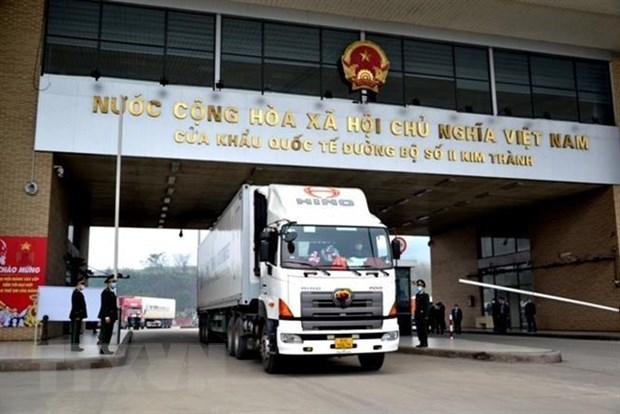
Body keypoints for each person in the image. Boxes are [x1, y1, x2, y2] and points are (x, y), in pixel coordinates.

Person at [98, 275, 118, 355]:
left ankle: (105, 349)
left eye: (114, 282)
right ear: (108, 283)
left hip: (111, 316)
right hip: (107, 316)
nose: (114, 283)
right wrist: (106, 316)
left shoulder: (112, 293)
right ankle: (103, 349)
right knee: (106, 333)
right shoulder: (105, 293)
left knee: (109, 333)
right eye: (113, 282)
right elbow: (104, 305)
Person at [69, 277, 87, 351]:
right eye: (81, 283)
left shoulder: (79, 293)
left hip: (79, 315)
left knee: (77, 331)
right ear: (77, 284)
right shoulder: (76, 293)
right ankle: (74, 346)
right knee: (75, 331)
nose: (83, 285)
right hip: (76, 315)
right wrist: (77, 315)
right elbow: (75, 305)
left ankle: (76, 345)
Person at [413, 279, 430, 348]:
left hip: (422, 315)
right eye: (418, 285)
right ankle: (421, 341)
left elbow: (426, 306)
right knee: (419, 329)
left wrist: (426, 315)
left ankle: (424, 342)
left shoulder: (425, 295)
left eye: (420, 285)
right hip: (417, 314)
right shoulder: (417, 295)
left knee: (423, 329)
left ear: (423, 286)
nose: (418, 287)